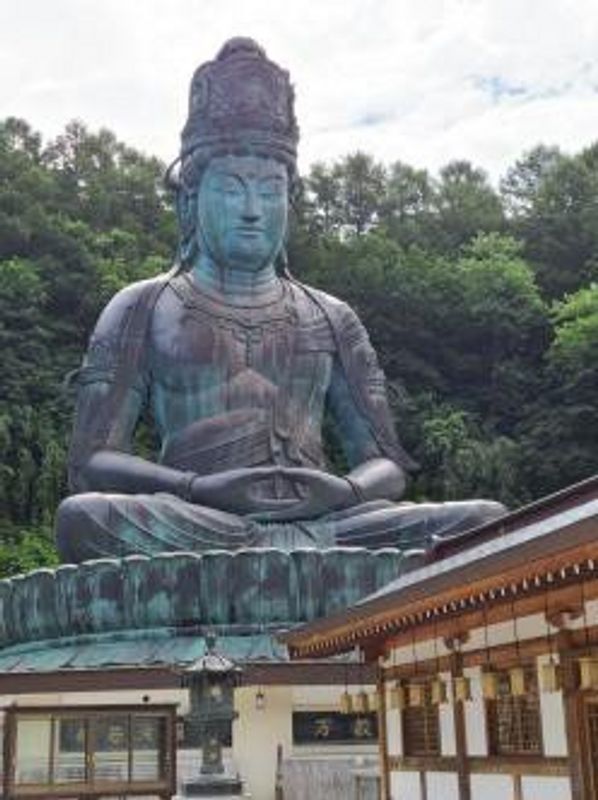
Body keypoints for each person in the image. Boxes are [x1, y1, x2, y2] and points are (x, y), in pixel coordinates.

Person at [55, 38, 504, 564]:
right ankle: (285, 564)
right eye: (233, 189)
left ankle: (292, 558)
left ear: (289, 200)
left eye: (270, 192)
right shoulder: (142, 306)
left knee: (483, 523)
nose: (253, 210)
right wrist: (197, 488)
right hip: (199, 517)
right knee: (84, 518)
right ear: (192, 198)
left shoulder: (332, 317)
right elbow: (92, 461)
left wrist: (347, 492)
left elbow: (386, 465)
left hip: (329, 519)